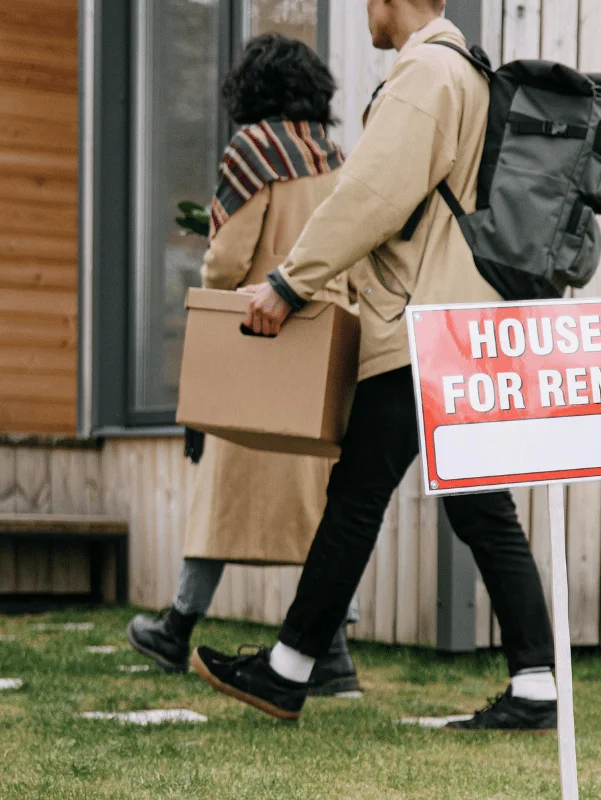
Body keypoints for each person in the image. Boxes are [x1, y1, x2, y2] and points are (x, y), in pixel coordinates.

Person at [190, 0, 559, 730]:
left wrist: (290, 282)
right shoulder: (466, 72)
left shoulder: (426, 70)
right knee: (475, 506)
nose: (363, 10)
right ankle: (535, 683)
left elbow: (371, 195)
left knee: (364, 496)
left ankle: (290, 668)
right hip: (458, 318)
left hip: (421, 320)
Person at [126, 34, 361, 697]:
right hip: (320, 345)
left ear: (252, 90)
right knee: (317, 505)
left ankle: (177, 625)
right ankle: (335, 652)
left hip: (258, 332)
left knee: (221, 492)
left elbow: (228, 260)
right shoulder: (336, 157)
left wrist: (214, 263)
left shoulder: (253, 150)